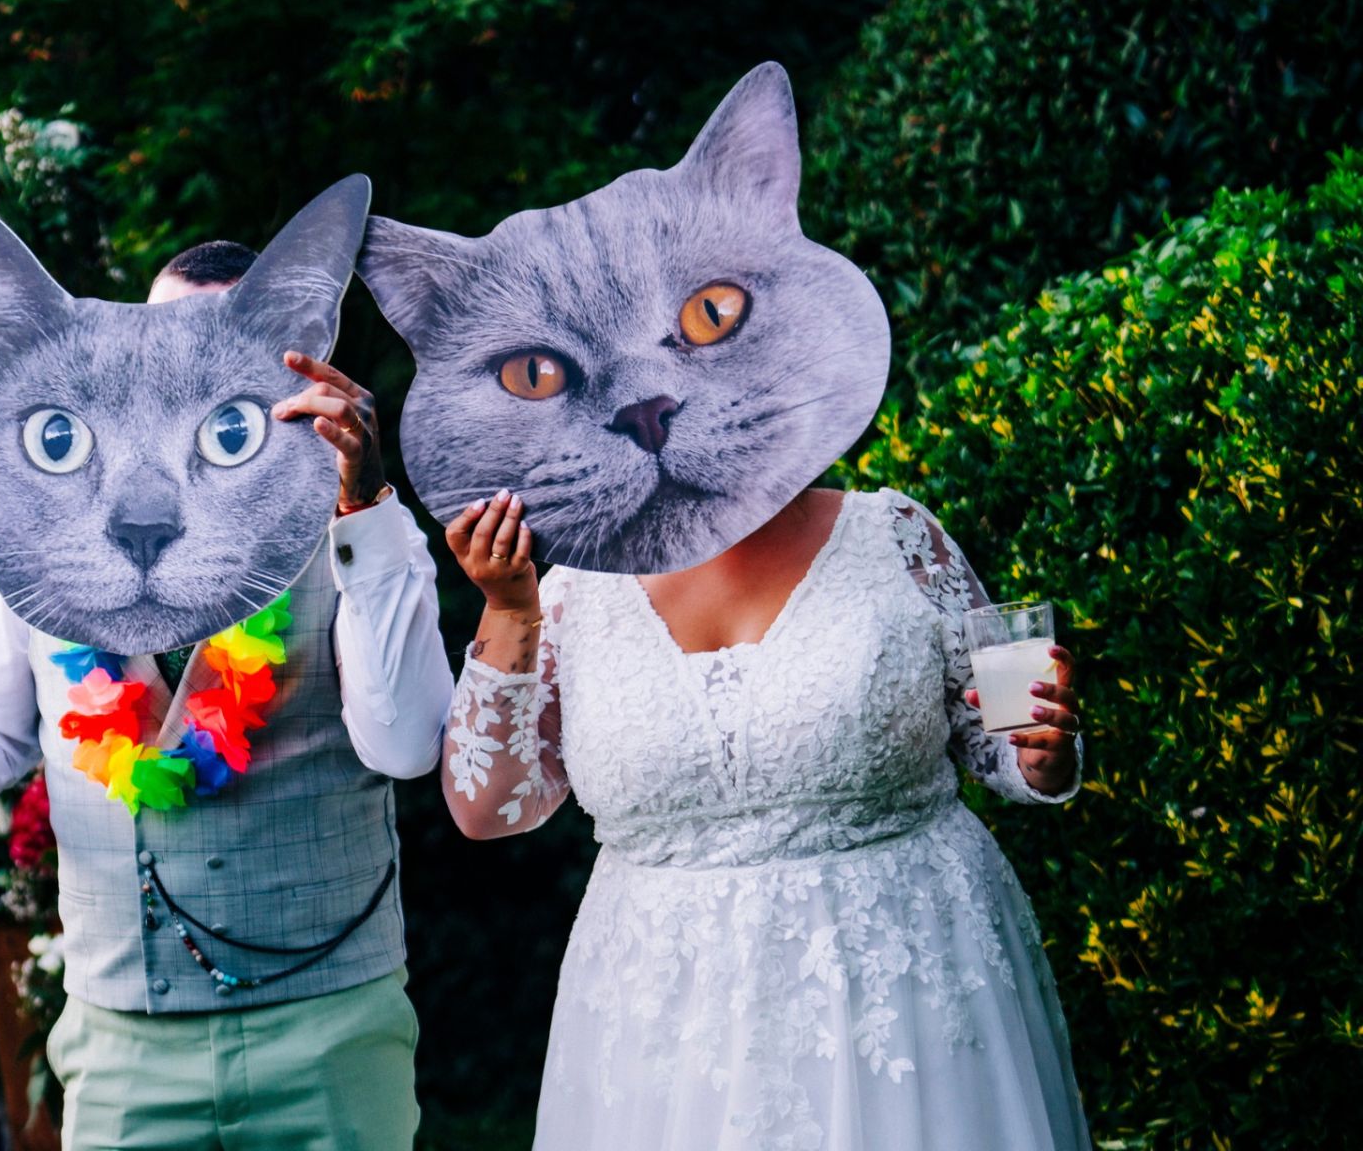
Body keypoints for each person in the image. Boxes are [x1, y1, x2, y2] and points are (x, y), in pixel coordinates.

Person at [0, 241, 452, 1151]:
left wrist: (366, 511)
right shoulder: (49, 553)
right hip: (125, 1048)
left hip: (330, 1034)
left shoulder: (357, 537)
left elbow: (402, 745)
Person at [442, 486, 1090, 1150]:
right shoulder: (573, 585)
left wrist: (1044, 756)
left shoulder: (893, 535)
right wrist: (509, 608)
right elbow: (490, 806)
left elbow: (1001, 741)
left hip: (905, 981)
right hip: (663, 1013)